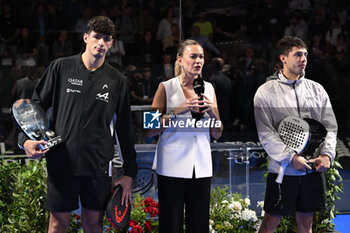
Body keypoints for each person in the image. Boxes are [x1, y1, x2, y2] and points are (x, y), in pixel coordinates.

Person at [18, 16, 137, 232]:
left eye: (106, 39)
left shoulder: (117, 80)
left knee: (93, 225)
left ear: (111, 44)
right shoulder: (60, 68)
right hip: (62, 161)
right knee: (57, 224)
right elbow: (35, 107)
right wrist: (25, 140)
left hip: (98, 165)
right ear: (85, 38)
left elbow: (125, 129)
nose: (100, 43)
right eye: (96, 37)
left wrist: (129, 172)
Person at [254, 36, 337, 233]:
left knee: (306, 222)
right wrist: (290, 158)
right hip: (283, 169)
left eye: (305, 54)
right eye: (297, 54)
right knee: (271, 221)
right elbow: (266, 134)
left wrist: (327, 155)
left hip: (312, 168)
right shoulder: (265, 92)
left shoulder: (317, 90)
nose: (303, 59)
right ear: (283, 58)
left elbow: (330, 127)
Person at [147, 39, 223, 233]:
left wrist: (213, 112)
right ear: (180, 60)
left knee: (199, 225)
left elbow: (217, 133)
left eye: (201, 57)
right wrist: (177, 110)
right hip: (172, 165)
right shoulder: (166, 87)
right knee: (171, 225)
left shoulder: (209, 89)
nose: (198, 61)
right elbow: (150, 129)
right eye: (193, 56)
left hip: (202, 166)